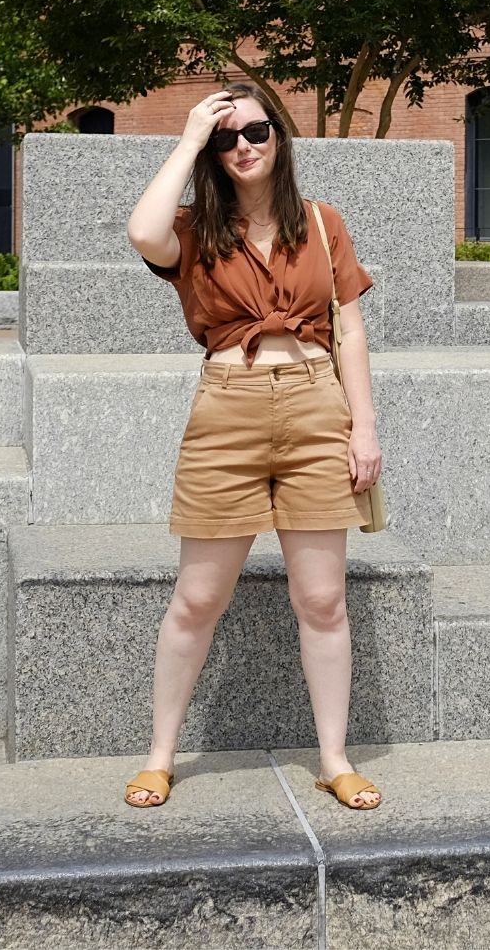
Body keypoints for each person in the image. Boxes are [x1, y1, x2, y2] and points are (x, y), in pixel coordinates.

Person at [121, 82, 384, 812]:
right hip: (227, 412)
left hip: (314, 406)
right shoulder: (194, 230)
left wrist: (363, 425)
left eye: (257, 131)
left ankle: (334, 758)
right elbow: (143, 233)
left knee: (323, 598)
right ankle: (160, 756)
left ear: (281, 137)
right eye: (226, 137)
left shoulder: (323, 224)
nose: (244, 145)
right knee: (199, 595)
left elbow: (352, 330)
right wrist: (186, 137)